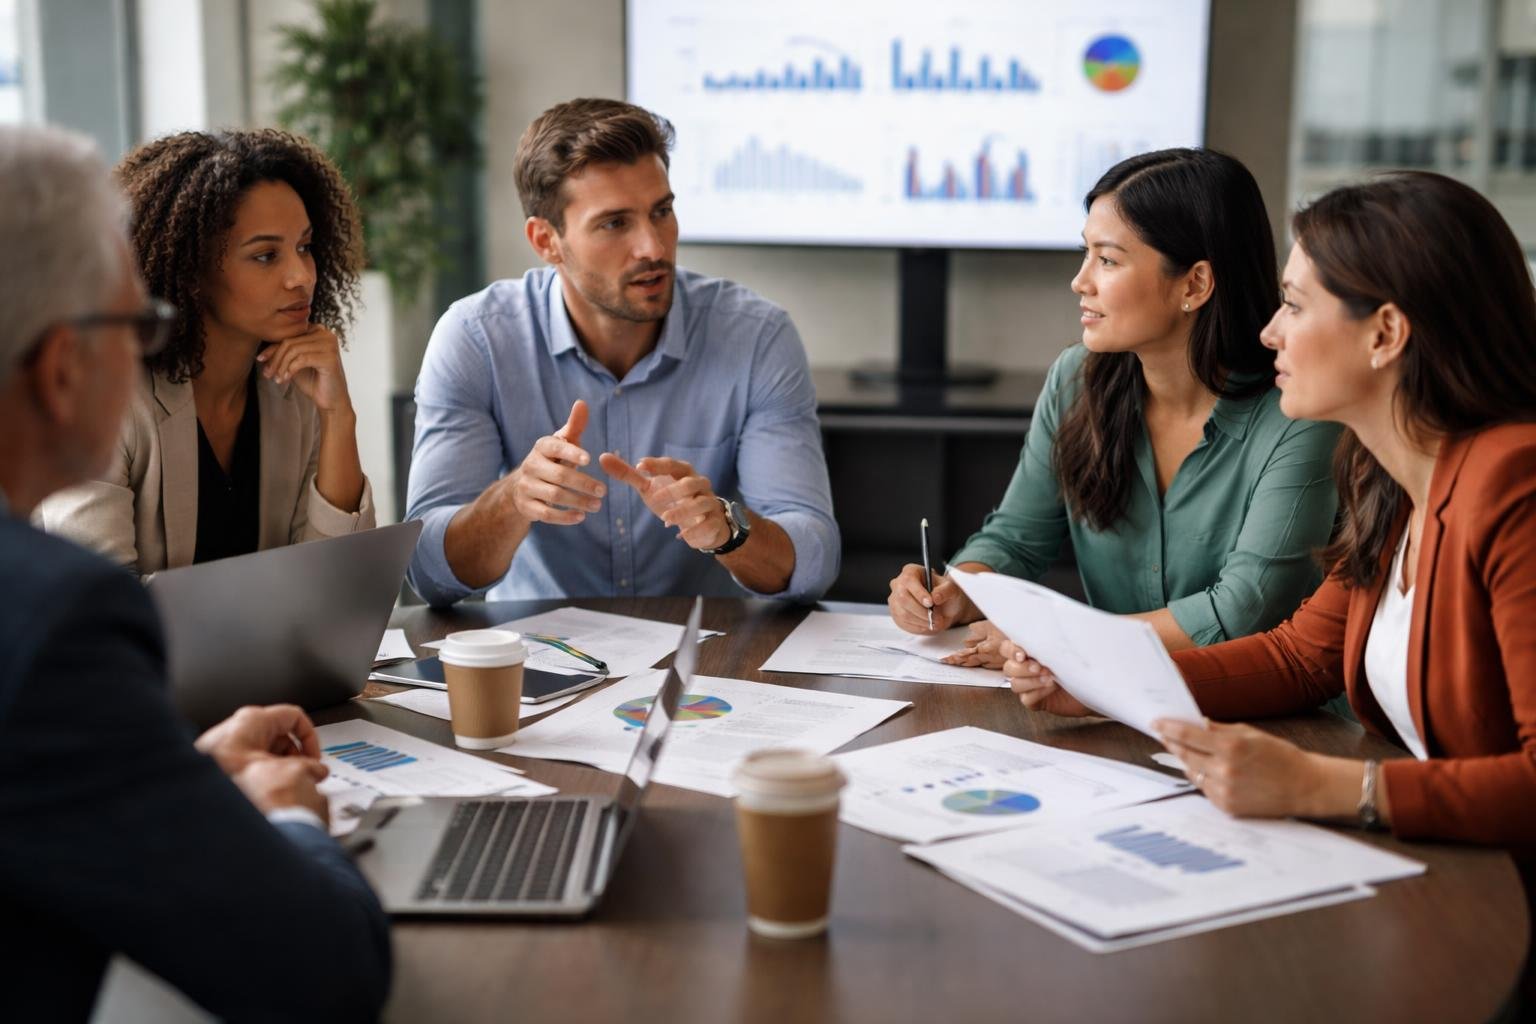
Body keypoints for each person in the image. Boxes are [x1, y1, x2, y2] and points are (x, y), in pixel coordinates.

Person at [1004, 171, 1535, 1003]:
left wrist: (1322, 784)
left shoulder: (1514, 484)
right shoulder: (1388, 474)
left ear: (1385, 332)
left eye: (1293, 305)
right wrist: (1096, 681)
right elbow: (1300, 658)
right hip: (1433, 867)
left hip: (1506, 915)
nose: (1267, 331)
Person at [0, 125, 389, 1020]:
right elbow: (326, 972)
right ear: (65, 367)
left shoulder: (286, 388)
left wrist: (188, 773)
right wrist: (288, 812)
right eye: (131, 322)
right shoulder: (56, 616)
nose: (298, 276)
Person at [888, 149, 1341, 666]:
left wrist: (1059, 641)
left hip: (1271, 721)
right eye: (1086, 254)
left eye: (1107, 259)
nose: (1080, 281)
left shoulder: (1299, 414)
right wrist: (958, 591)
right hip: (1112, 700)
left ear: (1194, 283)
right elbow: (1016, 540)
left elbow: (1244, 609)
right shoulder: (1076, 379)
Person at [406, 98, 838, 605]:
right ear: (546, 240)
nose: (653, 247)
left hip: (706, 655)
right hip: (544, 656)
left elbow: (814, 561)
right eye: (615, 224)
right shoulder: (477, 338)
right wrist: (515, 498)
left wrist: (728, 528)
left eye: (662, 212)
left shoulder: (756, 337)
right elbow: (427, 572)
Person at [38, 128, 375, 575]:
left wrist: (339, 419)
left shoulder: (296, 390)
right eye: (265, 256)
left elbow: (339, 584)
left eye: (304, 247)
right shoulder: (104, 400)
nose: (301, 276)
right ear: (189, 270)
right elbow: (95, 608)